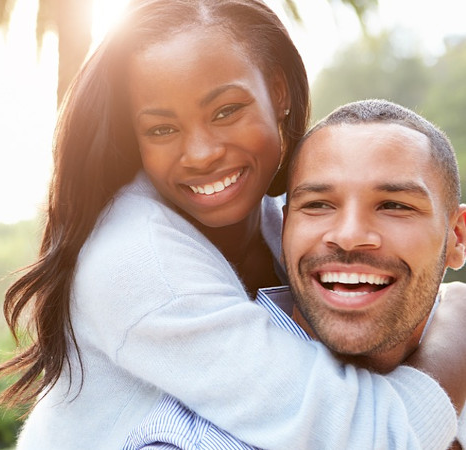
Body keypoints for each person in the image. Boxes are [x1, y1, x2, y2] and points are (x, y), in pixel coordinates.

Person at [0, 1, 466, 448]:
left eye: (226, 111)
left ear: (278, 92)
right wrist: (456, 333)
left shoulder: (280, 217)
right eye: (161, 129)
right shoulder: (138, 259)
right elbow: (368, 437)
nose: (202, 153)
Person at [123, 99, 466, 449]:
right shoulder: (192, 441)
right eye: (318, 205)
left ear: (457, 237)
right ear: (286, 227)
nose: (348, 236)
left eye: (394, 206)